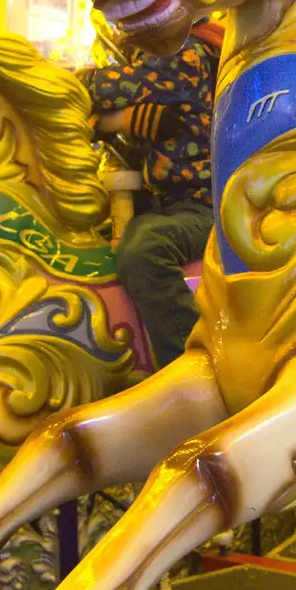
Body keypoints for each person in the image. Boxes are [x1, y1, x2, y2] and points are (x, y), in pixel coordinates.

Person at [80, 21, 222, 370]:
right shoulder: (161, 52)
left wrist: (109, 113)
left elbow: (104, 88)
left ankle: (191, 366)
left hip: (202, 203)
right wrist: (119, 121)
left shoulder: (184, 51)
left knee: (145, 249)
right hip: (160, 202)